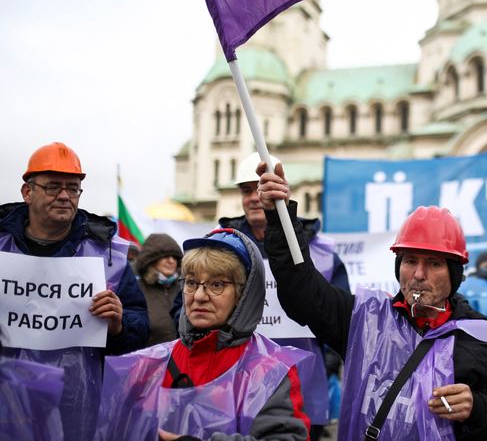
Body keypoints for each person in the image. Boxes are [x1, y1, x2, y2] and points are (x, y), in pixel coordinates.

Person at [257, 163, 487, 440]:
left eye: (434, 263)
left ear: (455, 274)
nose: (419, 275)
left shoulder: (481, 339)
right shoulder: (364, 320)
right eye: (410, 261)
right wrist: (279, 216)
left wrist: (478, 407)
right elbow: (302, 289)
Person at [94, 229, 311, 441]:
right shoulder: (150, 365)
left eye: (216, 284)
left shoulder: (270, 369)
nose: (198, 296)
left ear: (243, 294)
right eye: (191, 282)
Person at [0, 142, 149, 440]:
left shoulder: (108, 254)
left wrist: (119, 326)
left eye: (73, 187)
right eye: (53, 186)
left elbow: (141, 327)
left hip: (77, 407)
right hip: (7, 401)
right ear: (27, 192)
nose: (65, 196)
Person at [218, 152, 349, 439]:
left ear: (279, 190)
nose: (254, 197)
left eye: (260, 188)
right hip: (234, 387)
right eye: (246, 190)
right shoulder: (219, 247)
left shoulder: (323, 252)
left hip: (305, 387)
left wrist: (323, 369)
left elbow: (341, 321)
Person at [134, 233, 183, 345]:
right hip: (147, 359)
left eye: (174, 257)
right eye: (165, 256)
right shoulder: (136, 289)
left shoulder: (185, 288)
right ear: (151, 260)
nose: (171, 261)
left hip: (180, 358)